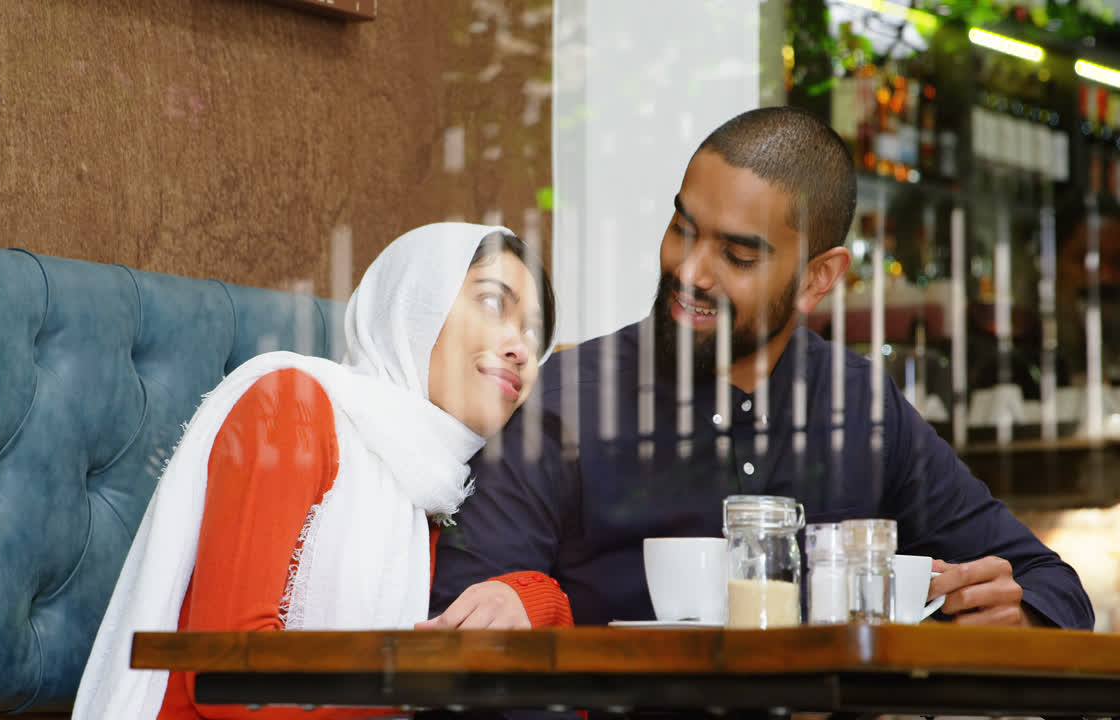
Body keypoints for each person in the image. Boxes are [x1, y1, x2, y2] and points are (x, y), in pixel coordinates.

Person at [429, 107, 1094, 632]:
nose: (690, 271)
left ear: (818, 279)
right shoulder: (567, 408)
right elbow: (463, 630)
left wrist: (1021, 610)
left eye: (737, 256)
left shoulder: (859, 406)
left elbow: (1052, 585)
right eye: (682, 228)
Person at [73, 223, 572, 720]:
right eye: (491, 303)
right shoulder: (290, 407)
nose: (521, 348)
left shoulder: (433, 481)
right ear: (414, 303)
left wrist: (537, 599)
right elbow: (225, 679)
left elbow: (480, 621)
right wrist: (423, 680)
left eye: (535, 332)